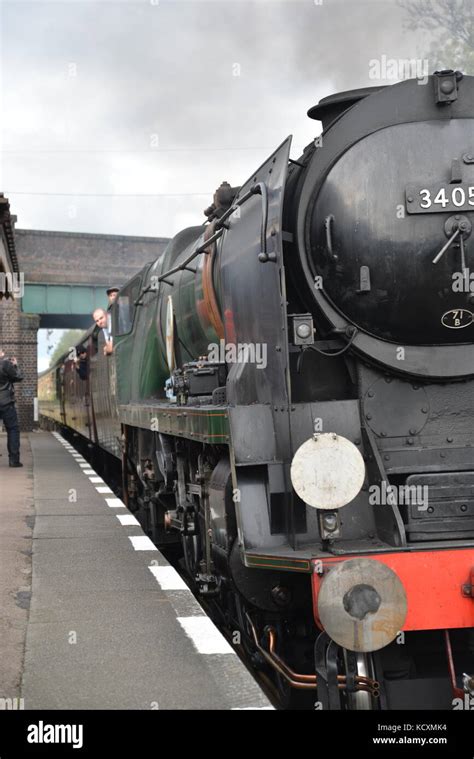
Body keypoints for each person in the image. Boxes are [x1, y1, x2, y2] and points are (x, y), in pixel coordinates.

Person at [0, 349, 24, 467]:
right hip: (6, 403)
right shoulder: (5, 364)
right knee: (13, 429)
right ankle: (14, 460)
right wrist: (15, 365)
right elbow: (19, 377)